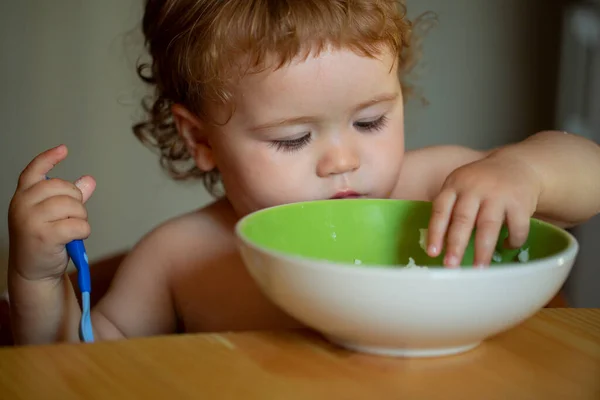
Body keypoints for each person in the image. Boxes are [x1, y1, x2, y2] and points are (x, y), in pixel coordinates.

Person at [7, 0, 600, 345]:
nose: (342, 161)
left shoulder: (441, 187)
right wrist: (37, 282)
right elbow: (82, 360)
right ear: (199, 139)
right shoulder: (179, 259)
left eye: (370, 122)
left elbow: (589, 175)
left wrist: (522, 170)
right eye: (293, 138)